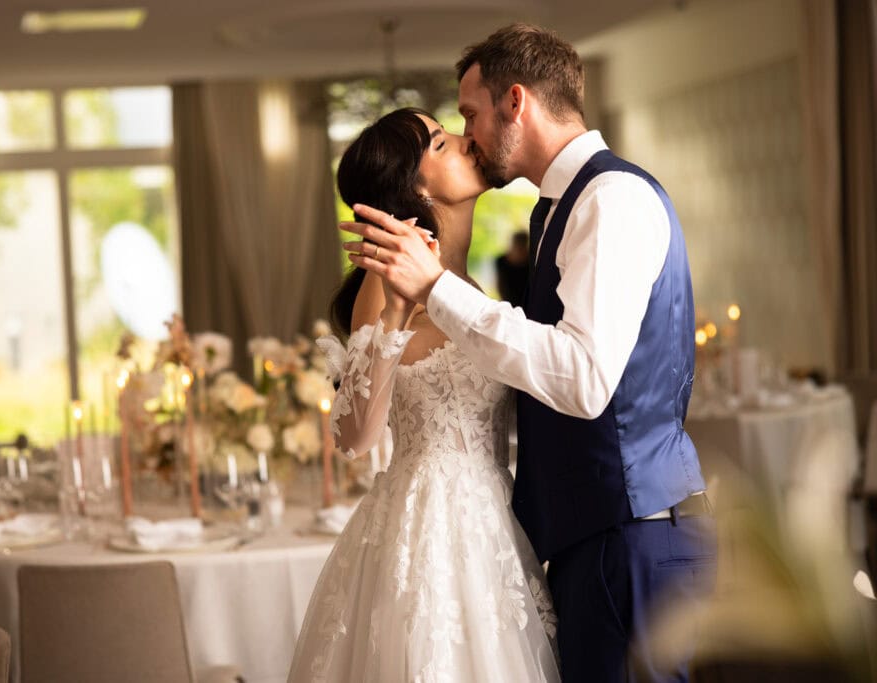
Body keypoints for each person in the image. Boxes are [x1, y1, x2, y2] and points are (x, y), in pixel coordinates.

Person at [340, 24, 716, 683]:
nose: (468, 136)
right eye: (450, 130)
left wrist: (436, 288)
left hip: (624, 533)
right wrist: (411, 297)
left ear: (515, 103)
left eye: (469, 115)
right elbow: (356, 428)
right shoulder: (554, 214)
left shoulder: (609, 200)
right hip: (532, 539)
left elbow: (584, 378)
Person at [288, 108, 559, 683]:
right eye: (442, 141)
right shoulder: (384, 281)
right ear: (415, 184)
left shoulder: (468, 285)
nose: (467, 142)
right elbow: (355, 437)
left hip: (496, 521)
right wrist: (391, 310)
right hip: (426, 525)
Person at [495, 230, 530, 307]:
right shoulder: (501, 261)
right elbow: (500, 285)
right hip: (509, 303)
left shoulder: (531, 262)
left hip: (526, 304)